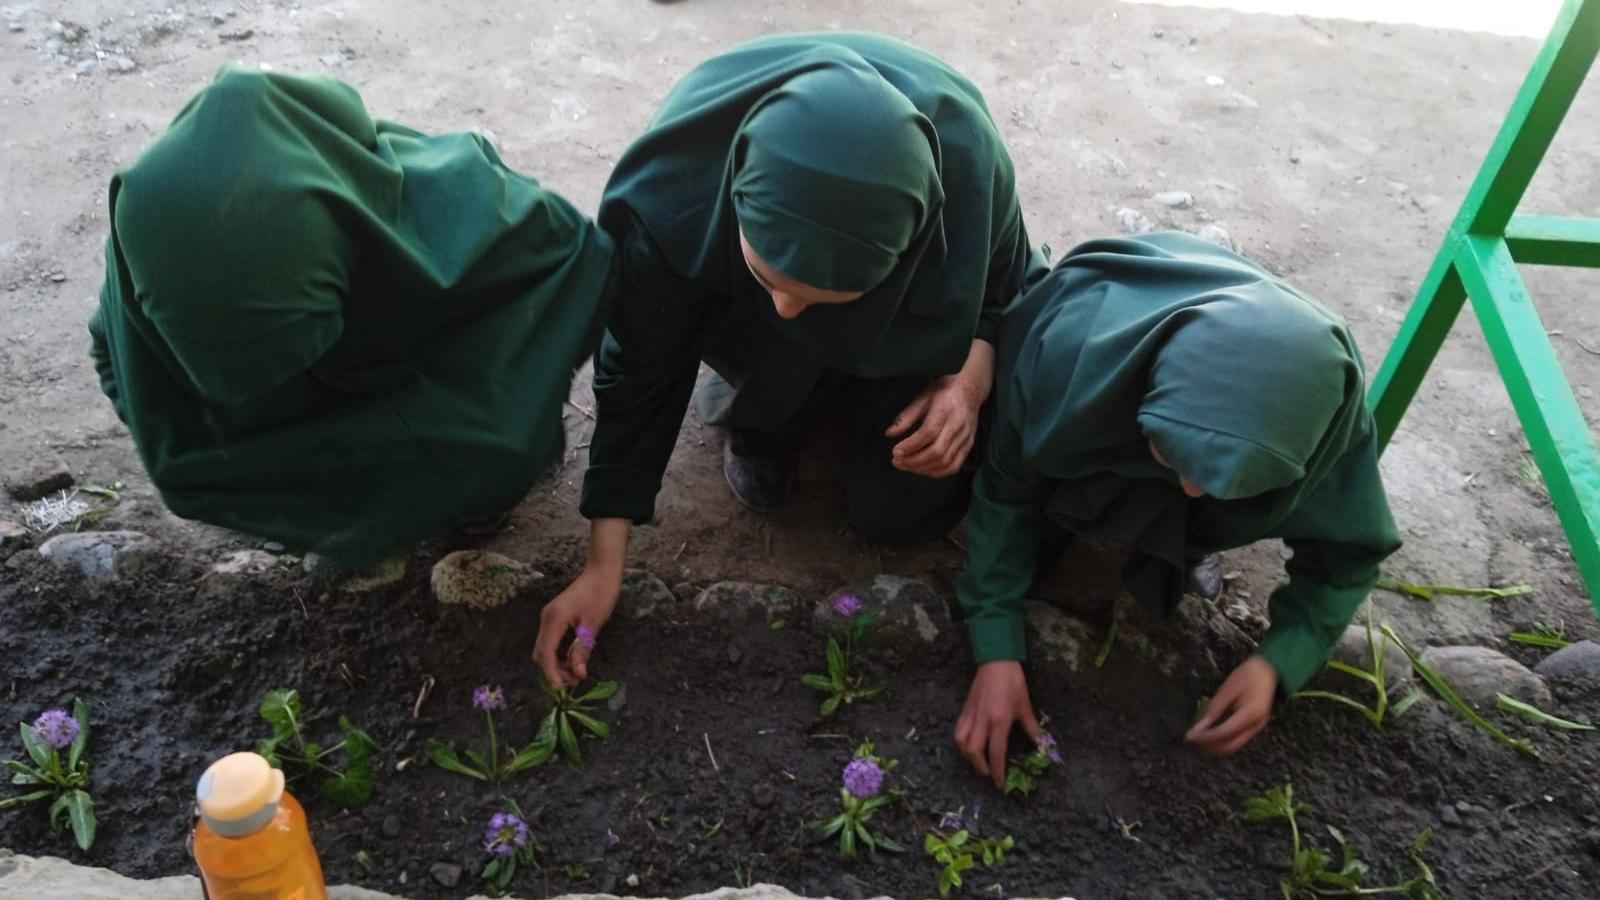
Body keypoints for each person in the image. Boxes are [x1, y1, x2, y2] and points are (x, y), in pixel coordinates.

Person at [533, 32, 1044, 686]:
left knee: (897, 509)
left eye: (824, 295)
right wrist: (602, 565)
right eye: (769, 277)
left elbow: (1009, 289)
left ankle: (837, 368)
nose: (788, 311)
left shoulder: (970, 163)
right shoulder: (676, 191)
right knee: (771, 345)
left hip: (901, 325)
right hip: (738, 312)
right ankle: (767, 408)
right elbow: (637, 364)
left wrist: (968, 384)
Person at [89, 68, 615, 563]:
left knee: (495, 448)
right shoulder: (148, 263)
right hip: (309, 402)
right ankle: (343, 505)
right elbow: (116, 365)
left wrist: (500, 433)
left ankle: (458, 501)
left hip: (408, 380)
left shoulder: (472, 214)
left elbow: (578, 265)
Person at [952, 232, 1401, 786]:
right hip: (1101, 383)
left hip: (1162, 419)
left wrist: (1278, 663)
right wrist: (996, 647)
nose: (1191, 492)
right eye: (1171, 452)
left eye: (1229, 483)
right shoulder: (1070, 363)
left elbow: (1349, 554)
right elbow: (1008, 491)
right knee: (1033, 550)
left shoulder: (1323, 430)